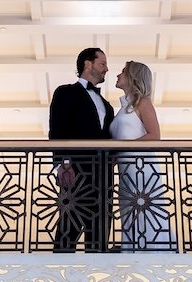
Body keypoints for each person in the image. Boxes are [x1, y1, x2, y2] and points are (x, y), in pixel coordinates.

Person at [48, 47, 114, 252]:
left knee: (100, 235)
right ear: (88, 64)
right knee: (68, 228)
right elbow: (57, 128)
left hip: (104, 178)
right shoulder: (65, 92)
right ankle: (58, 276)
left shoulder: (107, 105)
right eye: (102, 63)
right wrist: (63, 163)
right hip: (76, 172)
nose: (106, 69)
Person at [111, 60, 175, 252]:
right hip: (126, 173)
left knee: (145, 214)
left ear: (133, 77)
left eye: (123, 72)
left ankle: (154, 254)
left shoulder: (142, 103)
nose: (117, 75)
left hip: (142, 170)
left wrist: (126, 147)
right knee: (130, 214)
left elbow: (155, 135)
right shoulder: (124, 108)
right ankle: (133, 251)